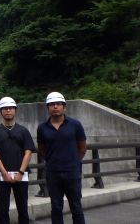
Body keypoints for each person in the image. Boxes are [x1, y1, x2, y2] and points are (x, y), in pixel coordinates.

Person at [37, 92, 87, 224]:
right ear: (47, 108)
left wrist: (73, 162)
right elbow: (42, 149)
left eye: (58, 104)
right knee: (56, 208)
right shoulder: (42, 128)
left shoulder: (75, 125)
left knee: (76, 207)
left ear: (64, 107)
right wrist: (52, 160)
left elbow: (82, 148)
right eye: (52, 104)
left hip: (72, 173)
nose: (55, 107)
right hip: (53, 174)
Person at [0, 97, 35, 224]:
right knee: (3, 208)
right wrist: (4, 172)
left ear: (15, 110)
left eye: (11, 108)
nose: (8, 110)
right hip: (2, 175)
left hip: (21, 174)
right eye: (5, 108)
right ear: (0, 111)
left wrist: (20, 172)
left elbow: (28, 151)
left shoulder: (23, 131)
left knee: (23, 206)